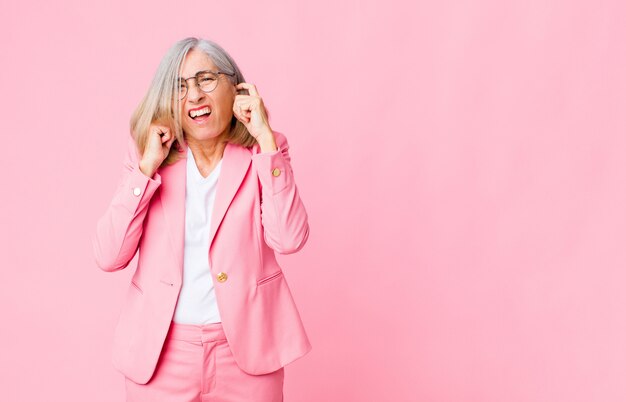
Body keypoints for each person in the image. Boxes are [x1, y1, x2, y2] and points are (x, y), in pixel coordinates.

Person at [91, 37, 312, 402]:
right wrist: (146, 168)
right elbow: (108, 255)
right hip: (161, 355)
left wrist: (266, 141)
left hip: (247, 352)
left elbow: (289, 238)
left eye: (206, 79)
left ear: (235, 86)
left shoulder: (264, 150)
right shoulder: (149, 157)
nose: (194, 96)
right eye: (179, 86)